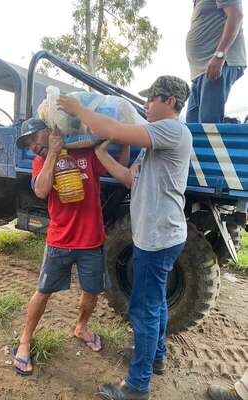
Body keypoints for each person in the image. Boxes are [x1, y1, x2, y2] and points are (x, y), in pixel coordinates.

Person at [58, 76, 192, 400]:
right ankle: (155, 357)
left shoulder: (171, 129)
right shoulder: (157, 143)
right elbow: (130, 178)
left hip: (158, 238)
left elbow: (114, 130)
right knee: (155, 301)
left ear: (170, 102)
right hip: (162, 236)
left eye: (151, 98)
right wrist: (103, 155)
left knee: (143, 309)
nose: (145, 104)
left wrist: (79, 110)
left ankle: (136, 387)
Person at [12, 118, 127, 375]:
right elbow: (41, 191)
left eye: (33, 138)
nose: (32, 146)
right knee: (42, 292)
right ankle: (24, 341)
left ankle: (81, 327)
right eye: (27, 143)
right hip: (59, 241)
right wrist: (52, 151)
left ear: (49, 131)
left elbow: (119, 161)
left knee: (91, 290)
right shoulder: (41, 162)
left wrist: (122, 137)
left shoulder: (85, 153)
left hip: (91, 240)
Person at [186, 0, 246, 123]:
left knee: (208, 124)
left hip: (218, 63)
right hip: (199, 72)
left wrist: (219, 55)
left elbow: (236, 15)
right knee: (192, 125)